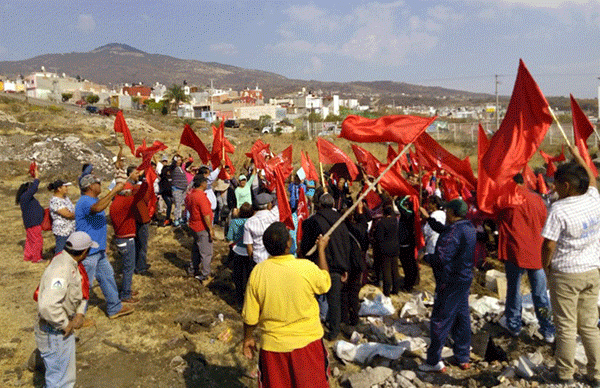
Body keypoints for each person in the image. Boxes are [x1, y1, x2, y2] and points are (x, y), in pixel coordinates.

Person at [242, 222, 331, 388]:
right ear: (288, 244)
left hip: (273, 348)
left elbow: (250, 316)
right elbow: (325, 282)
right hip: (308, 344)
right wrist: (321, 250)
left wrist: (248, 338)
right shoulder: (305, 268)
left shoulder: (258, 273)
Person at [541, 146, 600, 386]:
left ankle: (564, 374)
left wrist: (546, 268)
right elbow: (592, 178)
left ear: (566, 186)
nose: (552, 187)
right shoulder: (594, 198)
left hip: (566, 274)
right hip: (592, 271)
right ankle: (596, 374)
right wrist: (578, 156)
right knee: (589, 326)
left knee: (565, 327)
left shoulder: (559, 209)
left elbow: (549, 245)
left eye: (555, 184)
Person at [418, 199, 476, 372]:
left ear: (451, 212)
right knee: (462, 317)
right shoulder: (468, 228)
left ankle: (433, 360)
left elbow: (441, 258)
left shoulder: (454, 232)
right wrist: (429, 219)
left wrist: (425, 257)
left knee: (440, 319)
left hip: (449, 281)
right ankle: (463, 357)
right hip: (464, 280)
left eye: (447, 210)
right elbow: (445, 230)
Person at [497, 174, 555, 343]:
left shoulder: (507, 201)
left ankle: (514, 325)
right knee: (541, 294)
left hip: (515, 252)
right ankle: (548, 328)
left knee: (514, 291)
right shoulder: (538, 200)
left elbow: (495, 217)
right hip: (537, 252)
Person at [35, 231, 95, 388]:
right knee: (60, 382)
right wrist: (65, 324)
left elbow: (80, 292)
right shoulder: (61, 270)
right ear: (83, 252)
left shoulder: (69, 264)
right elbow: (48, 305)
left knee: (60, 378)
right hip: (55, 333)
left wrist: (80, 313)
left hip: (56, 332)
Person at [76, 173, 137, 319]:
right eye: (98, 182)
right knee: (84, 284)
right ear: (90, 186)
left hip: (99, 251)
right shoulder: (85, 201)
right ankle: (76, 316)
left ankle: (114, 308)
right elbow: (97, 208)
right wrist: (115, 190)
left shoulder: (94, 200)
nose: (100, 185)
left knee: (107, 277)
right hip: (88, 252)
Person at [299, 193, 351, 340]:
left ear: (319, 205)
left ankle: (312, 326)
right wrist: (345, 267)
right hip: (336, 266)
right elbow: (346, 245)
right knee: (334, 301)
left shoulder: (313, 221)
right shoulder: (340, 221)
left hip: (317, 265)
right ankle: (334, 331)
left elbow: (306, 243)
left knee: (312, 298)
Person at [109, 171, 140, 304]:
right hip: (126, 239)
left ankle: (126, 289)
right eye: (129, 191)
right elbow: (140, 193)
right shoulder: (125, 202)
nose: (131, 193)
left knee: (126, 266)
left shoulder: (115, 202)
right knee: (128, 267)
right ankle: (126, 294)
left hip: (121, 237)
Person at [185, 175, 215, 284]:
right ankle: (205, 275)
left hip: (193, 225)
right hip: (202, 227)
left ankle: (193, 269)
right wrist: (210, 229)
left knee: (196, 249)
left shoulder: (190, 195)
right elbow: (206, 215)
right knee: (206, 252)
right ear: (202, 183)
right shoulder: (200, 197)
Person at [226, 202, 254, 308]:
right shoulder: (252, 222)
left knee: (238, 276)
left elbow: (229, 237)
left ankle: (239, 299)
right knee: (248, 276)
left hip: (237, 251)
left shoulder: (234, 222)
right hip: (249, 252)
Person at [17, 165, 44, 263]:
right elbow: (34, 188)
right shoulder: (25, 197)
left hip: (30, 222)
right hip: (33, 223)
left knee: (29, 240)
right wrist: (36, 177)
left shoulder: (25, 198)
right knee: (37, 240)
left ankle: (28, 256)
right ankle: (37, 258)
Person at [243, 193, 279, 265]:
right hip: (274, 258)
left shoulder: (249, 222)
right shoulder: (275, 216)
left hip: (258, 259)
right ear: (269, 205)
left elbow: (249, 246)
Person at [373, 206, 400, 296]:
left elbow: (378, 237)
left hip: (385, 249)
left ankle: (387, 291)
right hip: (395, 247)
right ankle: (396, 289)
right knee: (395, 270)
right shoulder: (395, 221)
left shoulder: (382, 223)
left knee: (386, 271)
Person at [47, 180, 75, 254]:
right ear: (59, 189)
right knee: (60, 251)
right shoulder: (55, 201)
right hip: (62, 231)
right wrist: (79, 214)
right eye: (65, 186)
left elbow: (71, 210)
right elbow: (68, 214)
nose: (67, 188)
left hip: (70, 229)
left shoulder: (65, 198)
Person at [170, 156, 188, 226]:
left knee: (180, 204)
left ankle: (180, 217)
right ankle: (176, 219)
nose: (180, 161)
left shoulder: (181, 168)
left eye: (180, 160)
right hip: (177, 189)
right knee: (177, 205)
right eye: (178, 160)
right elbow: (172, 165)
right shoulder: (173, 168)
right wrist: (175, 159)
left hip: (183, 189)